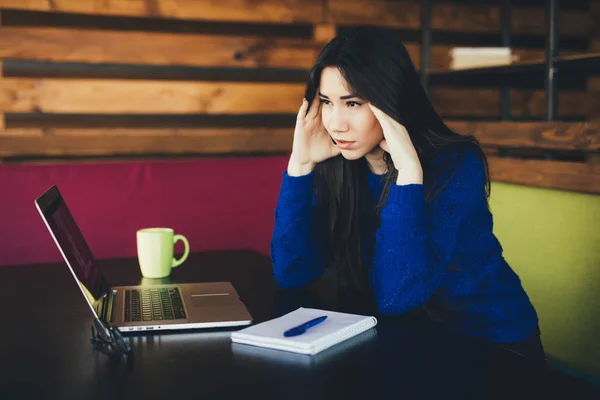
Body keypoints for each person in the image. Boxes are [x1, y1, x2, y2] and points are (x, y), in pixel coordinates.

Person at [270, 27, 545, 362]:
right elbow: (291, 273)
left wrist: (408, 174)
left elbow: (399, 295)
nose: (335, 123)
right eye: (326, 102)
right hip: (405, 343)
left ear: (390, 100)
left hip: (491, 346)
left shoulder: (456, 164)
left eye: (353, 103)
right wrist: (300, 164)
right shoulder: (340, 165)